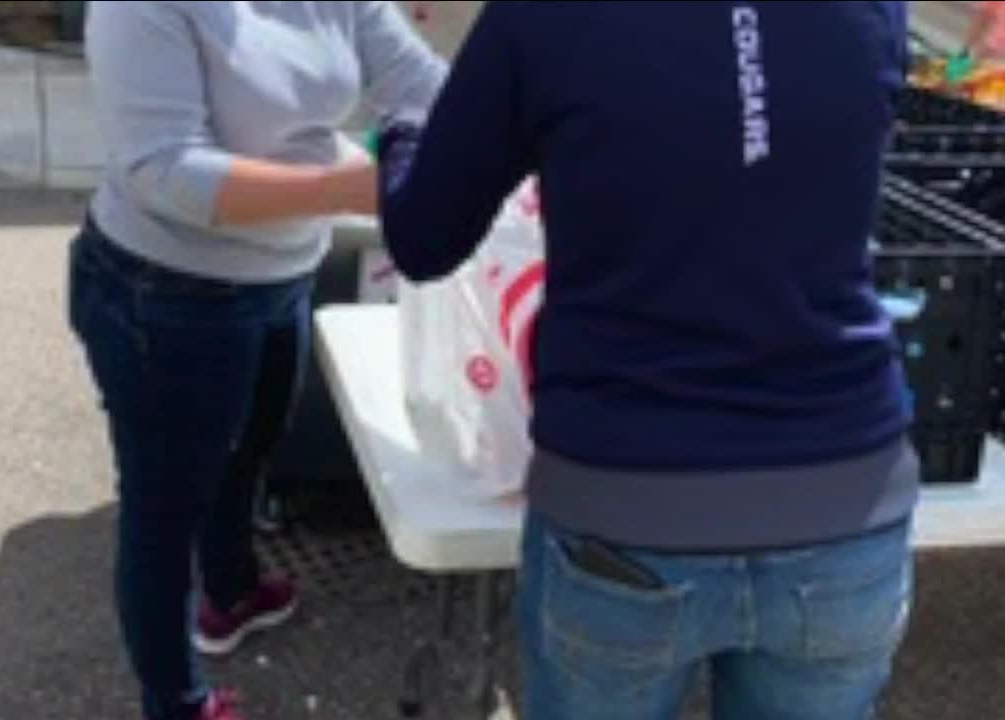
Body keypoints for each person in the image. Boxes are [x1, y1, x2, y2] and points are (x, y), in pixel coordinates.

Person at [378, 2, 917, 719]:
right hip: (845, 498)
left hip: (625, 500)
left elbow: (423, 236)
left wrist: (401, 138)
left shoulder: (546, 19)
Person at [69, 3, 445, 720]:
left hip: (285, 269)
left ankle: (231, 590)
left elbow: (422, 83)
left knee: (249, 450)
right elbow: (163, 169)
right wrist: (351, 187)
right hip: (167, 290)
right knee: (163, 508)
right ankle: (176, 703)